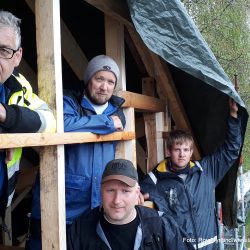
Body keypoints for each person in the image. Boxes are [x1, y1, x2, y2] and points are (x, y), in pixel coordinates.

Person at [27, 55, 126, 249]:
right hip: (61, 206)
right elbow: (64, 125)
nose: (104, 87)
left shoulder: (118, 111)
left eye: (110, 81)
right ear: (88, 79)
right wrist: (107, 123)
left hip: (97, 208)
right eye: (99, 79)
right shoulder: (70, 101)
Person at [140, 98, 242, 249]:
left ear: (191, 152)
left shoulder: (206, 170)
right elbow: (133, 196)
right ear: (168, 151)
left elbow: (231, 150)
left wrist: (233, 115)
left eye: (186, 150)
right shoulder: (155, 179)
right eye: (177, 149)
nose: (182, 154)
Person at [0, 10, 56, 236]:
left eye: (4, 50)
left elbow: (49, 121)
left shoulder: (17, 87)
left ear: (17, 56)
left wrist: (8, 118)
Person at [67, 158, 194, 250]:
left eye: (125, 191)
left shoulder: (161, 225)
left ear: (137, 192)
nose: (117, 200)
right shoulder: (80, 230)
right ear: (101, 192)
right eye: (110, 190)